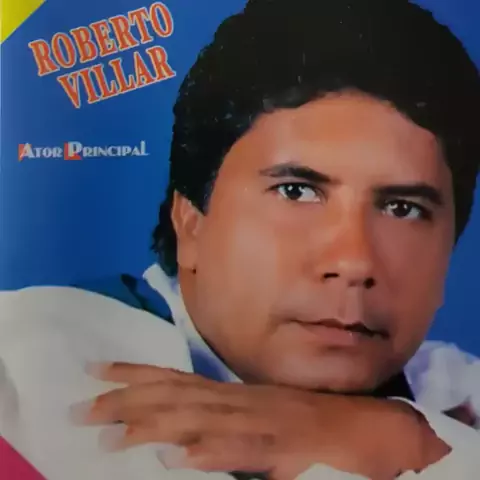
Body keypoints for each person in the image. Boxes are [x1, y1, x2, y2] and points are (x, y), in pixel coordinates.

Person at [1, 0, 480, 478]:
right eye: (296, 191)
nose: (354, 261)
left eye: (402, 208)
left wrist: (409, 439)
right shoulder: (30, 370)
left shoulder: (454, 391)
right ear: (190, 222)